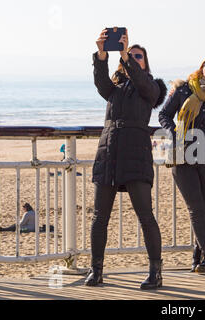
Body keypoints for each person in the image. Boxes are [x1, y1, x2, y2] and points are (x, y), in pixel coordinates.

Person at [86, 28, 167, 289]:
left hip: (136, 153)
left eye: (138, 56)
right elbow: (101, 84)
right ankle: (96, 270)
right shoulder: (115, 87)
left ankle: (156, 272)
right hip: (108, 150)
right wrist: (101, 54)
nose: (132, 57)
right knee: (100, 216)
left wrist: (124, 57)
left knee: (145, 214)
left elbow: (144, 85)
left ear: (145, 62)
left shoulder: (152, 87)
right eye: (131, 54)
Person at [159, 53, 205, 274]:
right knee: (195, 208)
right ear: (202, 67)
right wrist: (176, 133)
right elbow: (164, 114)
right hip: (182, 156)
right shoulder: (183, 89)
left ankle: (197, 256)